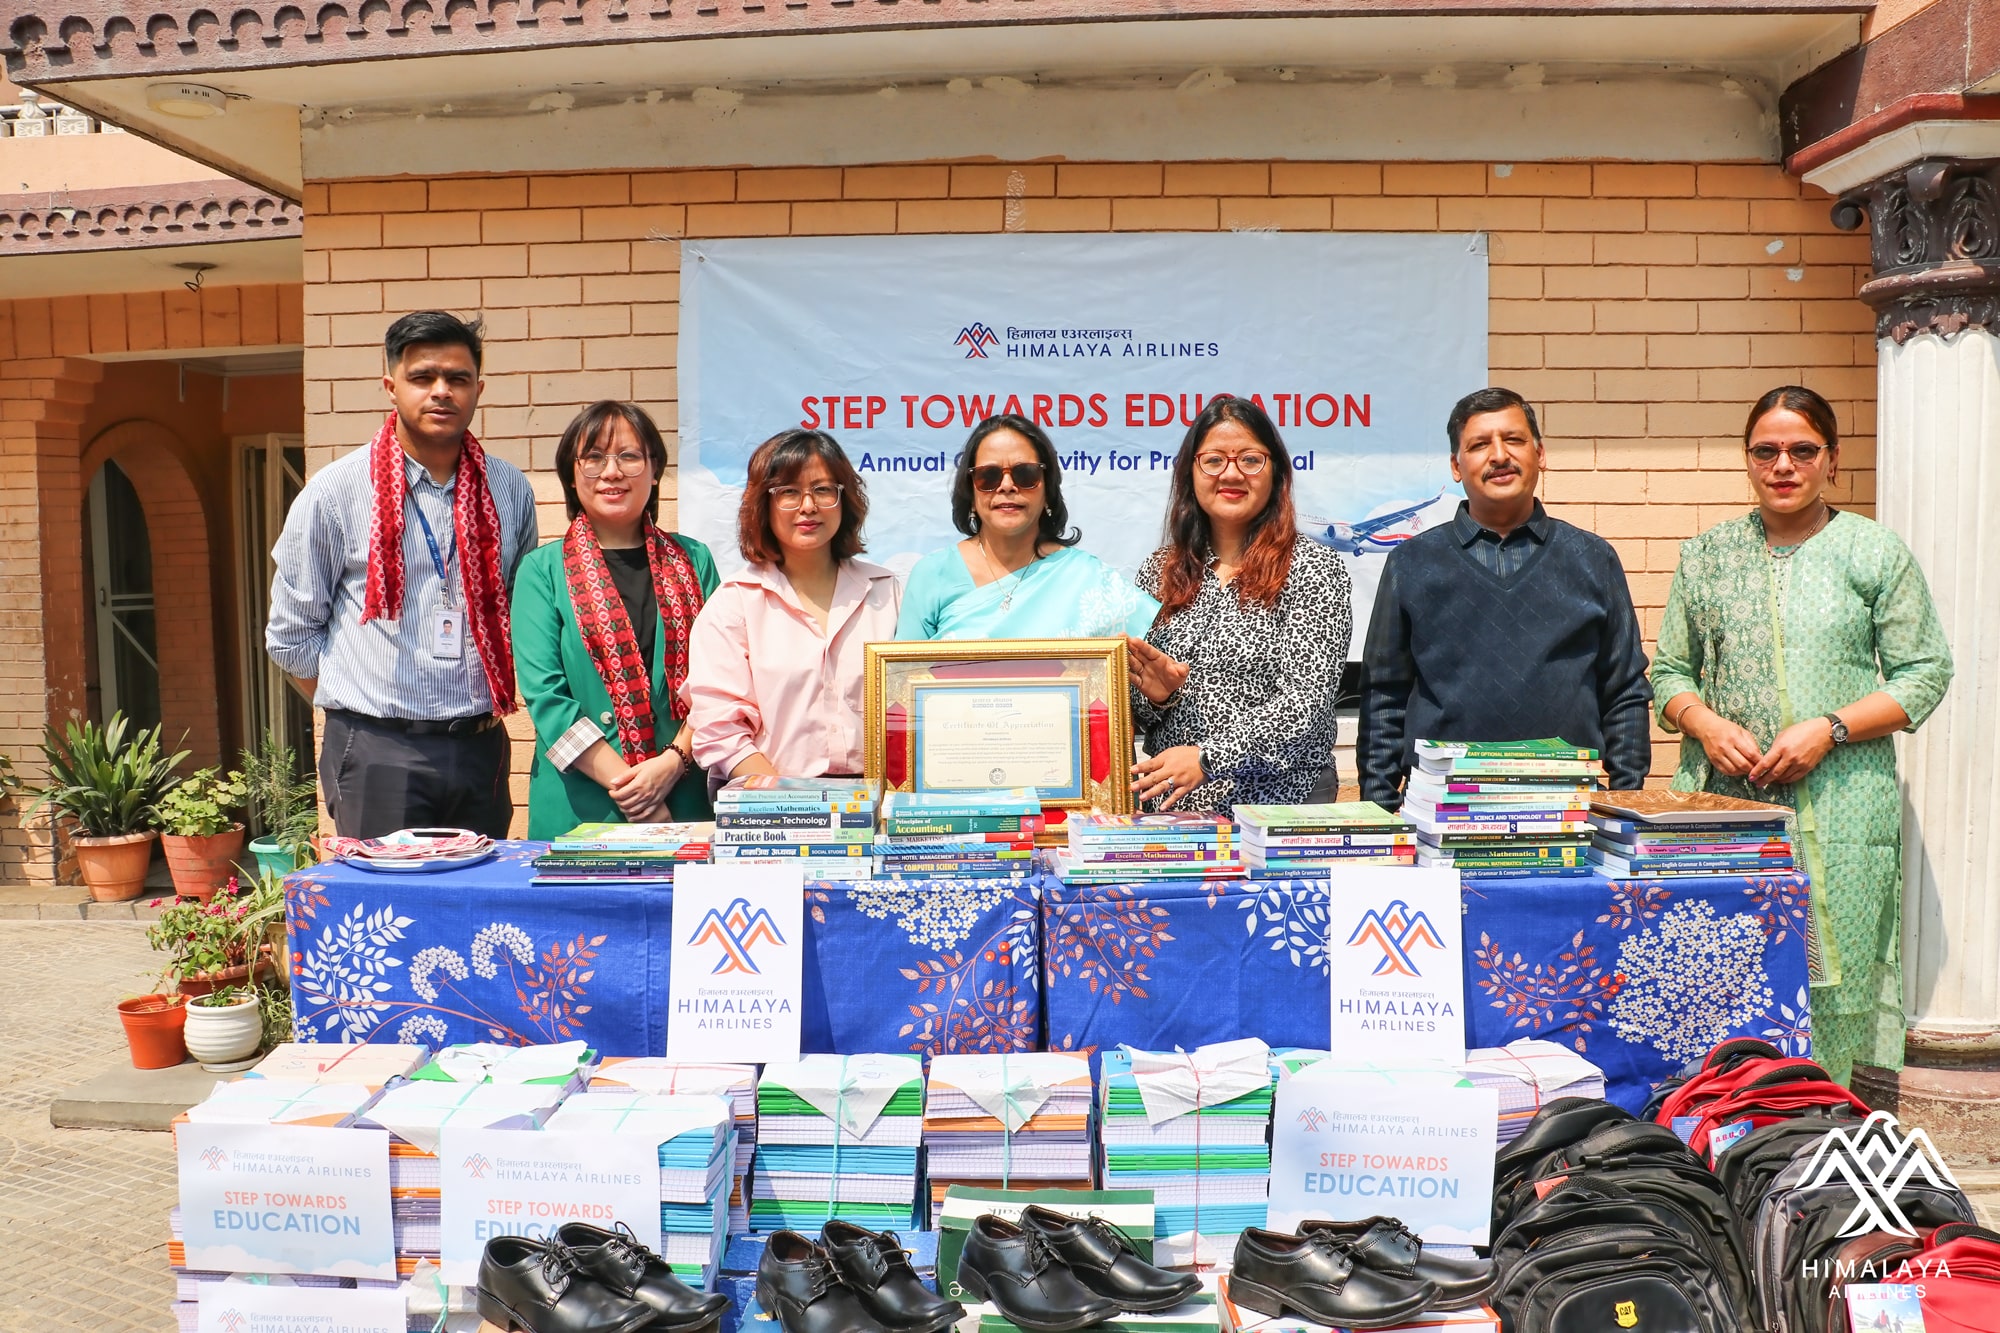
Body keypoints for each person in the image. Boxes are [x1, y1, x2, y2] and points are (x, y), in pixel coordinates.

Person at [1652, 385, 1952, 1086]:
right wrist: (1704, 722)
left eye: (1802, 450)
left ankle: (1819, 1121)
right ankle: (1723, 1120)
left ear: (1832, 460)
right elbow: (1668, 671)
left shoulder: (1872, 551)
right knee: (1720, 967)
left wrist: (1830, 727)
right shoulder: (1707, 555)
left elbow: (1924, 672)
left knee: (1830, 976)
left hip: (1842, 805)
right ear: (1747, 459)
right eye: (1766, 451)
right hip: (1729, 806)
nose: (1783, 465)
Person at [266, 310, 537, 839]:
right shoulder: (336, 492)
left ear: (478, 389)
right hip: (377, 753)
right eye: (422, 377)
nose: (441, 391)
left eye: (457, 378)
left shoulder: (509, 490)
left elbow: (519, 613)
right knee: (382, 895)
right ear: (391, 387)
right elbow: (291, 637)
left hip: (480, 746)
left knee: (478, 892)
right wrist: (361, 711)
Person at [1358, 386, 1652, 806]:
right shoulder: (1411, 563)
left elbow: (1624, 690)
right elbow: (1384, 695)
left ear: (1540, 454)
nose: (1499, 455)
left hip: (1568, 807)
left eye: (1513, 439)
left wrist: (1624, 801)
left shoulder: (1592, 559)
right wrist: (1382, 811)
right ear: (1456, 466)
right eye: (1479, 445)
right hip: (1444, 808)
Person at [1126, 396, 1352, 812]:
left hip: (1282, 806)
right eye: (1213, 460)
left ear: (1276, 472)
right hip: (1177, 816)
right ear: (1190, 472)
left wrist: (1207, 757)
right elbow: (1134, 710)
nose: (1231, 473)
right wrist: (1158, 697)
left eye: (1250, 459)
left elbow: (1305, 703)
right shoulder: (1159, 570)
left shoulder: (1313, 568)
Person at [510, 401, 720, 839]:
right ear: (572, 475)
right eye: (593, 458)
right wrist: (636, 793)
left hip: (683, 798)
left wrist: (671, 764)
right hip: (582, 808)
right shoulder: (541, 571)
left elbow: (720, 682)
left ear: (655, 470)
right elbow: (546, 698)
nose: (612, 471)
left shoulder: (695, 561)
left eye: (629, 456)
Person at [684, 430, 899, 779]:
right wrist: (787, 800)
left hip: (880, 798)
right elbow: (719, 727)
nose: (808, 506)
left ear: (844, 499)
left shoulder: (886, 592)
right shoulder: (735, 602)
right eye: (789, 492)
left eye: (823, 489)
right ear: (763, 505)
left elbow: (914, 707)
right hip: (770, 798)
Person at [895, 414, 1159, 640]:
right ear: (970, 492)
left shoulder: (1086, 577)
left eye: (1025, 474)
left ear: (1048, 490)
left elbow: (1151, 663)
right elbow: (902, 677)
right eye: (988, 476)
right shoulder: (932, 575)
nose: (1007, 486)